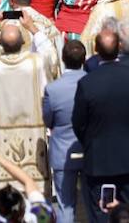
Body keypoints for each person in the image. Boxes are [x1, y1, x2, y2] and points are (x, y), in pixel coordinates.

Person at [72, 28, 129, 223]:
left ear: (96, 49)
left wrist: (91, 142)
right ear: (120, 47)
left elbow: (79, 123)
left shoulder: (87, 83)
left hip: (100, 160)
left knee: (102, 214)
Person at [0, 20, 51, 193]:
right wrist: (33, 28)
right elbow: (50, 53)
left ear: (0, 44)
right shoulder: (36, 63)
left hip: (1, 137)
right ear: (23, 42)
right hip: (33, 136)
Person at [42, 38, 88, 223]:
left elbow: (47, 119)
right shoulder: (92, 82)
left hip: (62, 151)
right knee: (94, 202)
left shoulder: (53, 89)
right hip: (88, 148)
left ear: (63, 58)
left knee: (65, 205)